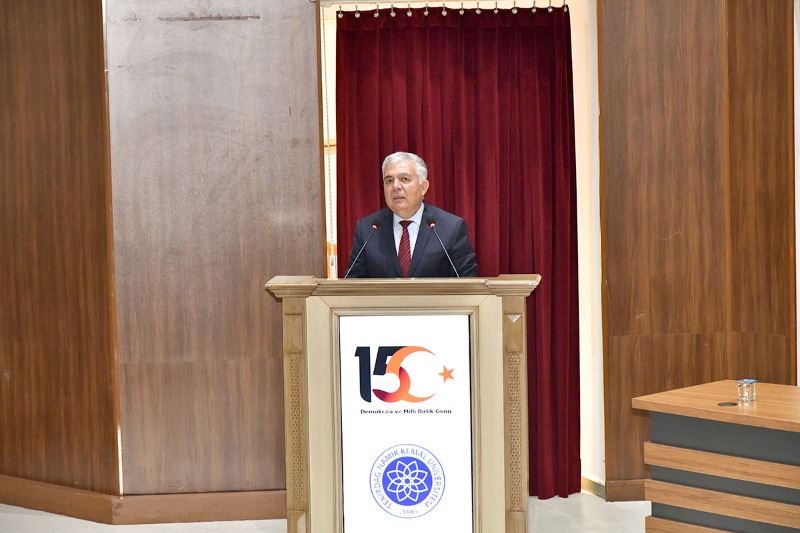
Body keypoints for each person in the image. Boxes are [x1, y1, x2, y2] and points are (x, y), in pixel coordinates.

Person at [345, 152, 478, 278]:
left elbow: (467, 282)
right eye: (389, 181)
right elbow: (352, 283)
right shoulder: (368, 229)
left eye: (404, 179)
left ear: (423, 187)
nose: (395, 186)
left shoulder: (451, 228)